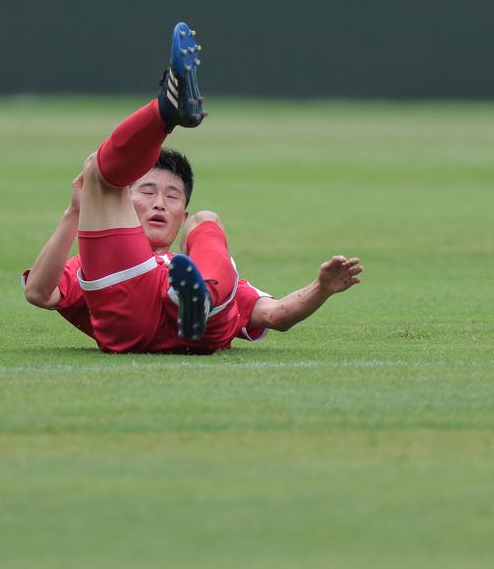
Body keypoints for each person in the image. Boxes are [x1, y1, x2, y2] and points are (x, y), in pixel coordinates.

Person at [23, 22, 363, 354]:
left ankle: (198, 302)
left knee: (206, 219)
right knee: (95, 172)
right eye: (146, 191)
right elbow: (40, 293)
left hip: (201, 311)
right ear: (124, 204)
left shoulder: (190, 266)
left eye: (172, 196)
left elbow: (277, 315)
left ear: (179, 215)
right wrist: (75, 212)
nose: (159, 203)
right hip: (131, 307)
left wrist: (321, 288)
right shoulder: (95, 263)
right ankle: (166, 110)